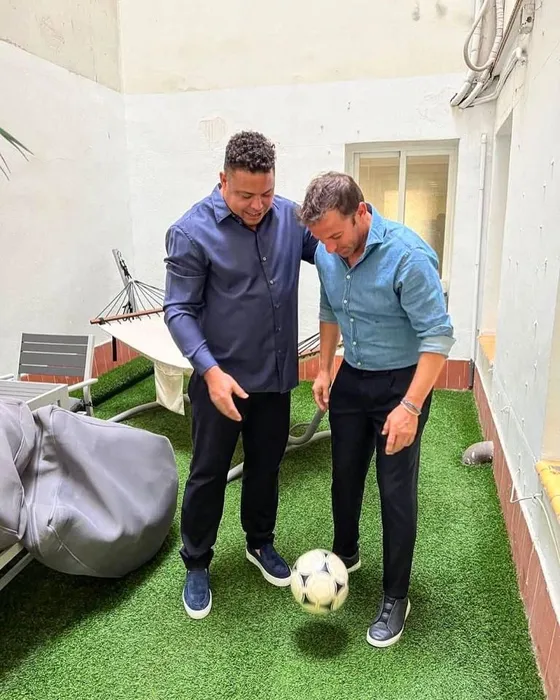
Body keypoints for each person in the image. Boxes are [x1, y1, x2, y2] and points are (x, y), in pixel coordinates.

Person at [163, 131, 318, 619]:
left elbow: (336, 246)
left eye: (266, 193)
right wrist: (209, 371)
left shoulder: (291, 218)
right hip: (220, 383)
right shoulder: (191, 232)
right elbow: (178, 310)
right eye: (246, 195)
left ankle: (259, 542)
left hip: (275, 376)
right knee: (208, 473)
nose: (257, 205)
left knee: (267, 465)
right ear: (222, 180)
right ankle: (196, 562)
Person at [298, 172, 455, 648]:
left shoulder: (408, 257)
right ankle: (345, 555)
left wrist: (411, 406)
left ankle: (396, 596)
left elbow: (438, 338)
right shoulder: (327, 252)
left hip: (401, 386)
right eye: (322, 240)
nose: (329, 248)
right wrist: (325, 369)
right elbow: (329, 310)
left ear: (361, 212)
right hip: (352, 378)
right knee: (344, 476)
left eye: (336, 236)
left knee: (394, 489)